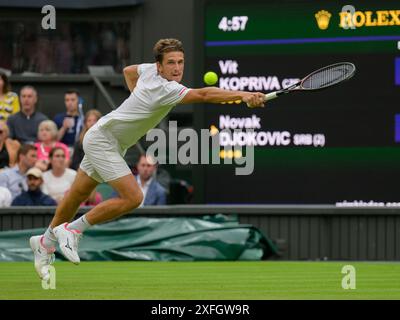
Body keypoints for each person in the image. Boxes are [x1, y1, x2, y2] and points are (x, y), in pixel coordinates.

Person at [29, 38, 265, 280]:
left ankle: (45, 243)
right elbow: (205, 94)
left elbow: (128, 71)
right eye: (171, 63)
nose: (177, 68)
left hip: (108, 139)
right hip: (102, 141)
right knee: (133, 197)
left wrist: (138, 100)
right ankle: (73, 230)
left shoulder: (149, 72)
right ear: (159, 66)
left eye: (181, 62)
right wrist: (245, 95)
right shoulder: (167, 89)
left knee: (77, 194)